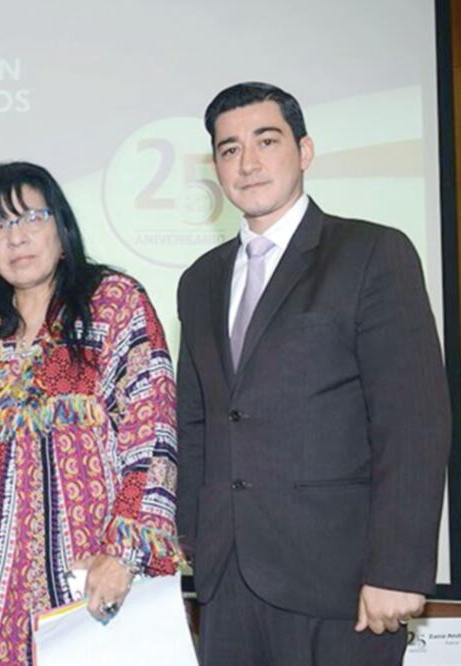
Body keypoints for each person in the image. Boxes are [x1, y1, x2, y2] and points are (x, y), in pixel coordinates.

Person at [175, 82, 451, 665]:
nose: (247, 163)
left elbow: (414, 422)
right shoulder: (199, 281)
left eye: (265, 140)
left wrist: (398, 569)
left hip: (345, 587)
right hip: (228, 586)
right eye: (228, 149)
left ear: (304, 151)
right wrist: (195, 543)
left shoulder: (373, 253)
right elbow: (197, 422)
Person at [0, 161, 181, 665]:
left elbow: (153, 438)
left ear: (61, 228)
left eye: (31, 217)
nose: (17, 238)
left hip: (92, 578)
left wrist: (123, 554)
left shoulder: (116, 304)